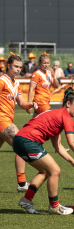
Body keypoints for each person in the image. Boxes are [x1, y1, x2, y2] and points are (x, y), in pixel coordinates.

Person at [16, 88, 74, 215]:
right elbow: (72, 142)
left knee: (45, 171)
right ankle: (54, 206)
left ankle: (26, 199)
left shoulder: (56, 115)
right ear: (68, 104)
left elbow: (58, 146)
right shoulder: (66, 117)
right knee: (55, 170)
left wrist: (72, 161)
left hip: (20, 140)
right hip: (28, 141)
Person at [0, 53, 38, 193]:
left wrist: (31, 104)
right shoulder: (2, 80)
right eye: (15, 66)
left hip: (7, 120)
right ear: (8, 65)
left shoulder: (16, 83)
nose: (18, 69)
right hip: (2, 120)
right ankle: (22, 183)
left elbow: (21, 103)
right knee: (21, 144)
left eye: (20, 67)